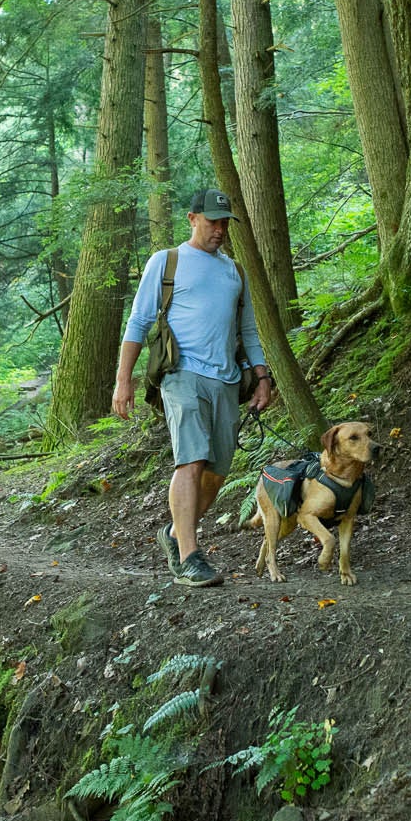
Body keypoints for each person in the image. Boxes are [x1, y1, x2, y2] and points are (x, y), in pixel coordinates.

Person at [112, 188, 275, 587]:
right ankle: (189, 556)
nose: (219, 230)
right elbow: (137, 323)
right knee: (192, 459)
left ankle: (173, 533)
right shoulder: (166, 262)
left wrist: (263, 377)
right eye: (212, 221)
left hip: (227, 380)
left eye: (224, 223)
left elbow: (249, 330)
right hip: (181, 374)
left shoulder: (234, 271)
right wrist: (123, 381)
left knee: (217, 471)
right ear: (192, 218)